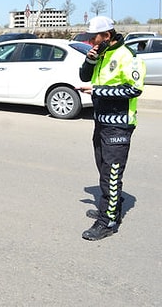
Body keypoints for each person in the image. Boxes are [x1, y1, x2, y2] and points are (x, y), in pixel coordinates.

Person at [78, 16, 146, 241]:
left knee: (112, 173)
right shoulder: (103, 53)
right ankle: (109, 207)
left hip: (119, 125)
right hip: (101, 122)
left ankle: (108, 221)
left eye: (94, 38)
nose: (91, 42)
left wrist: (97, 91)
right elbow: (84, 77)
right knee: (103, 167)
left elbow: (134, 89)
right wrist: (90, 60)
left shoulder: (128, 56)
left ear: (107, 35)